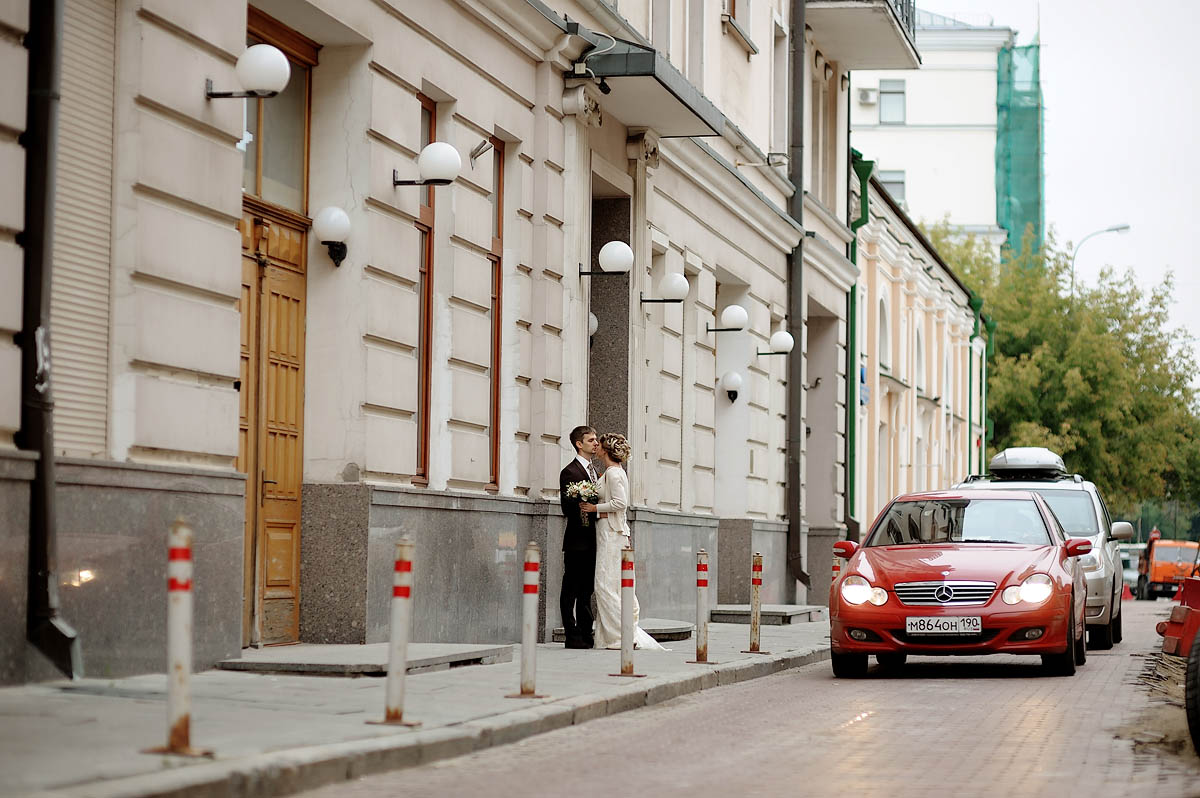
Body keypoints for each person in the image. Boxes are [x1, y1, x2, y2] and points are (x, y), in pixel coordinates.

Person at [588, 432, 665, 651]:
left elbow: (620, 504)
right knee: (610, 584)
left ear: (606, 450)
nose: (597, 448)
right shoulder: (612, 472)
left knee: (605, 585)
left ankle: (619, 636)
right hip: (609, 532)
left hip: (611, 534)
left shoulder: (613, 473)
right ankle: (611, 636)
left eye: (600, 445)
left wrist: (595, 508)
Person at [559, 425, 599, 649]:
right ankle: (571, 635)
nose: (595, 443)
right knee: (571, 590)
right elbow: (568, 507)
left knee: (587, 590)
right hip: (576, 541)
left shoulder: (595, 471)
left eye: (596, 440)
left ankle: (586, 632)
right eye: (591, 440)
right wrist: (584, 509)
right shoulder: (570, 472)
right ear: (579, 444)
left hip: (593, 541)